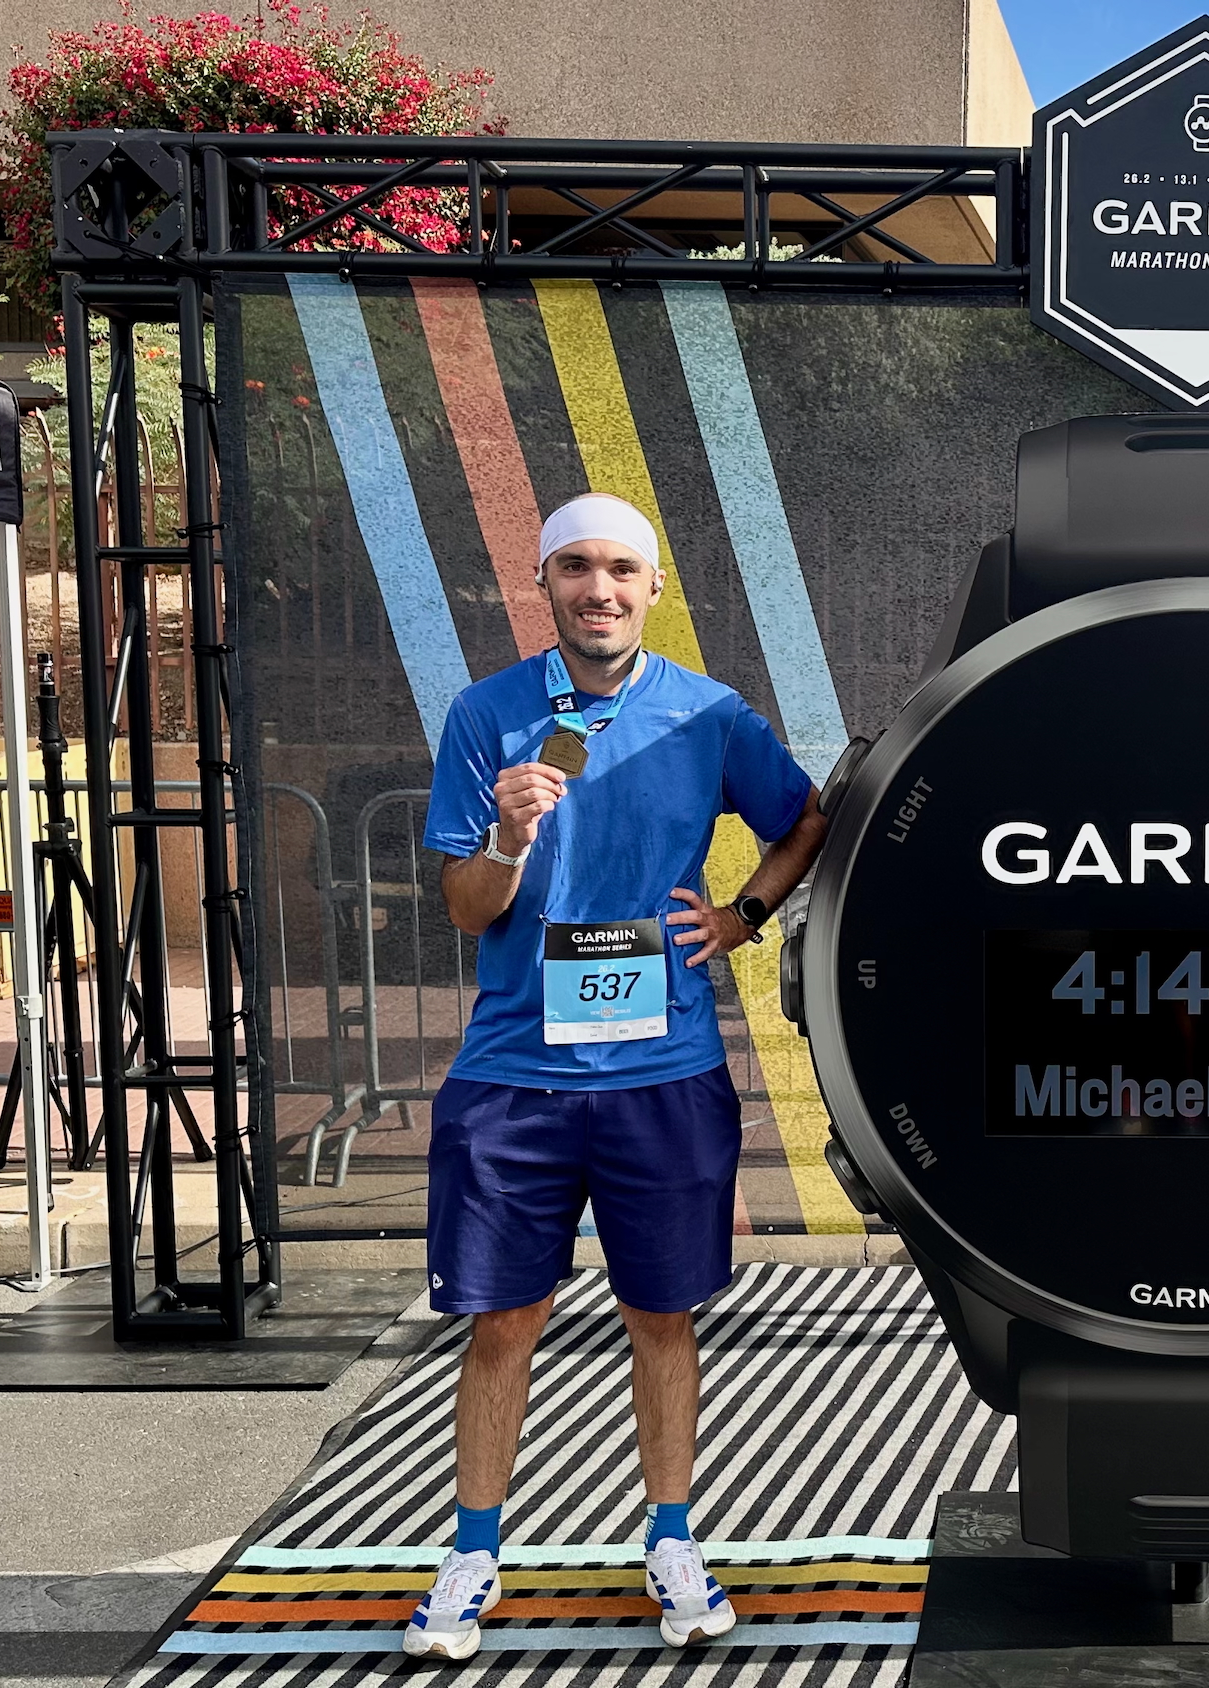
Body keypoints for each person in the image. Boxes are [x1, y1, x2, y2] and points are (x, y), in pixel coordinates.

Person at [403, 492, 825, 1661]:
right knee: (504, 1323)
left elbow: (806, 819)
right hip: (515, 1078)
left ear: (653, 586)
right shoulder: (488, 714)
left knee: (662, 1315)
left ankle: (673, 1537)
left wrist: (741, 915)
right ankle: (472, 1551)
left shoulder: (711, 712)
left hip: (665, 1073)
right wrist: (506, 837)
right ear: (543, 582)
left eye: (622, 569)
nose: (600, 588)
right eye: (578, 567)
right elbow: (465, 908)